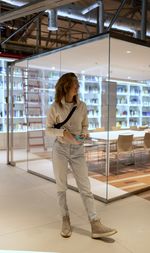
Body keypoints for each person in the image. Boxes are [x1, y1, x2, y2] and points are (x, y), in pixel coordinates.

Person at [46, 72, 117, 239]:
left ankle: (95, 223)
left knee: (85, 187)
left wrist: (85, 133)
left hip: (78, 150)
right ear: (66, 87)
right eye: (74, 84)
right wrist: (62, 133)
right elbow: (48, 129)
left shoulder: (82, 106)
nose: (77, 86)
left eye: (77, 84)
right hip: (60, 150)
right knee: (61, 187)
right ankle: (65, 219)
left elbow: (85, 125)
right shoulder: (55, 107)